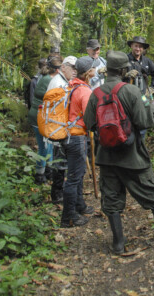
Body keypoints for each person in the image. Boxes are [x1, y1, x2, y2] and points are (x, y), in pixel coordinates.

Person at [83, 50, 154, 254]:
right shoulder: (130, 92)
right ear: (123, 70)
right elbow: (144, 122)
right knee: (151, 194)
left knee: (111, 199)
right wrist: (150, 106)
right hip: (133, 157)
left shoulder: (96, 94)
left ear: (106, 70)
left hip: (107, 157)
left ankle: (118, 243)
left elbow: (89, 124)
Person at [60, 56, 95, 228]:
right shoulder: (85, 91)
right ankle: (68, 217)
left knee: (78, 174)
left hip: (68, 136)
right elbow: (89, 118)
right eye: (93, 68)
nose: (95, 71)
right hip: (76, 137)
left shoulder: (72, 85)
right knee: (74, 177)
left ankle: (79, 205)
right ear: (89, 73)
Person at [46, 55, 77, 204]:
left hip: (62, 127)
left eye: (75, 68)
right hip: (57, 128)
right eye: (71, 67)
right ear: (63, 67)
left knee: (62, 160)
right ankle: (57, 194)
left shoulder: (65, 81)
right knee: (59, 161)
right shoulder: (57, 83)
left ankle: (60, 190)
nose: (74, 70)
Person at [28, 55, 62, 184]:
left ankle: (48, 170)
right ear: (58, 70)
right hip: (39, 117)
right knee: (44, 146)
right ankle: (40, 174)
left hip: (42, 116)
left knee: (48, 145)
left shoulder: (46, 77)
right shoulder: (49, 80)